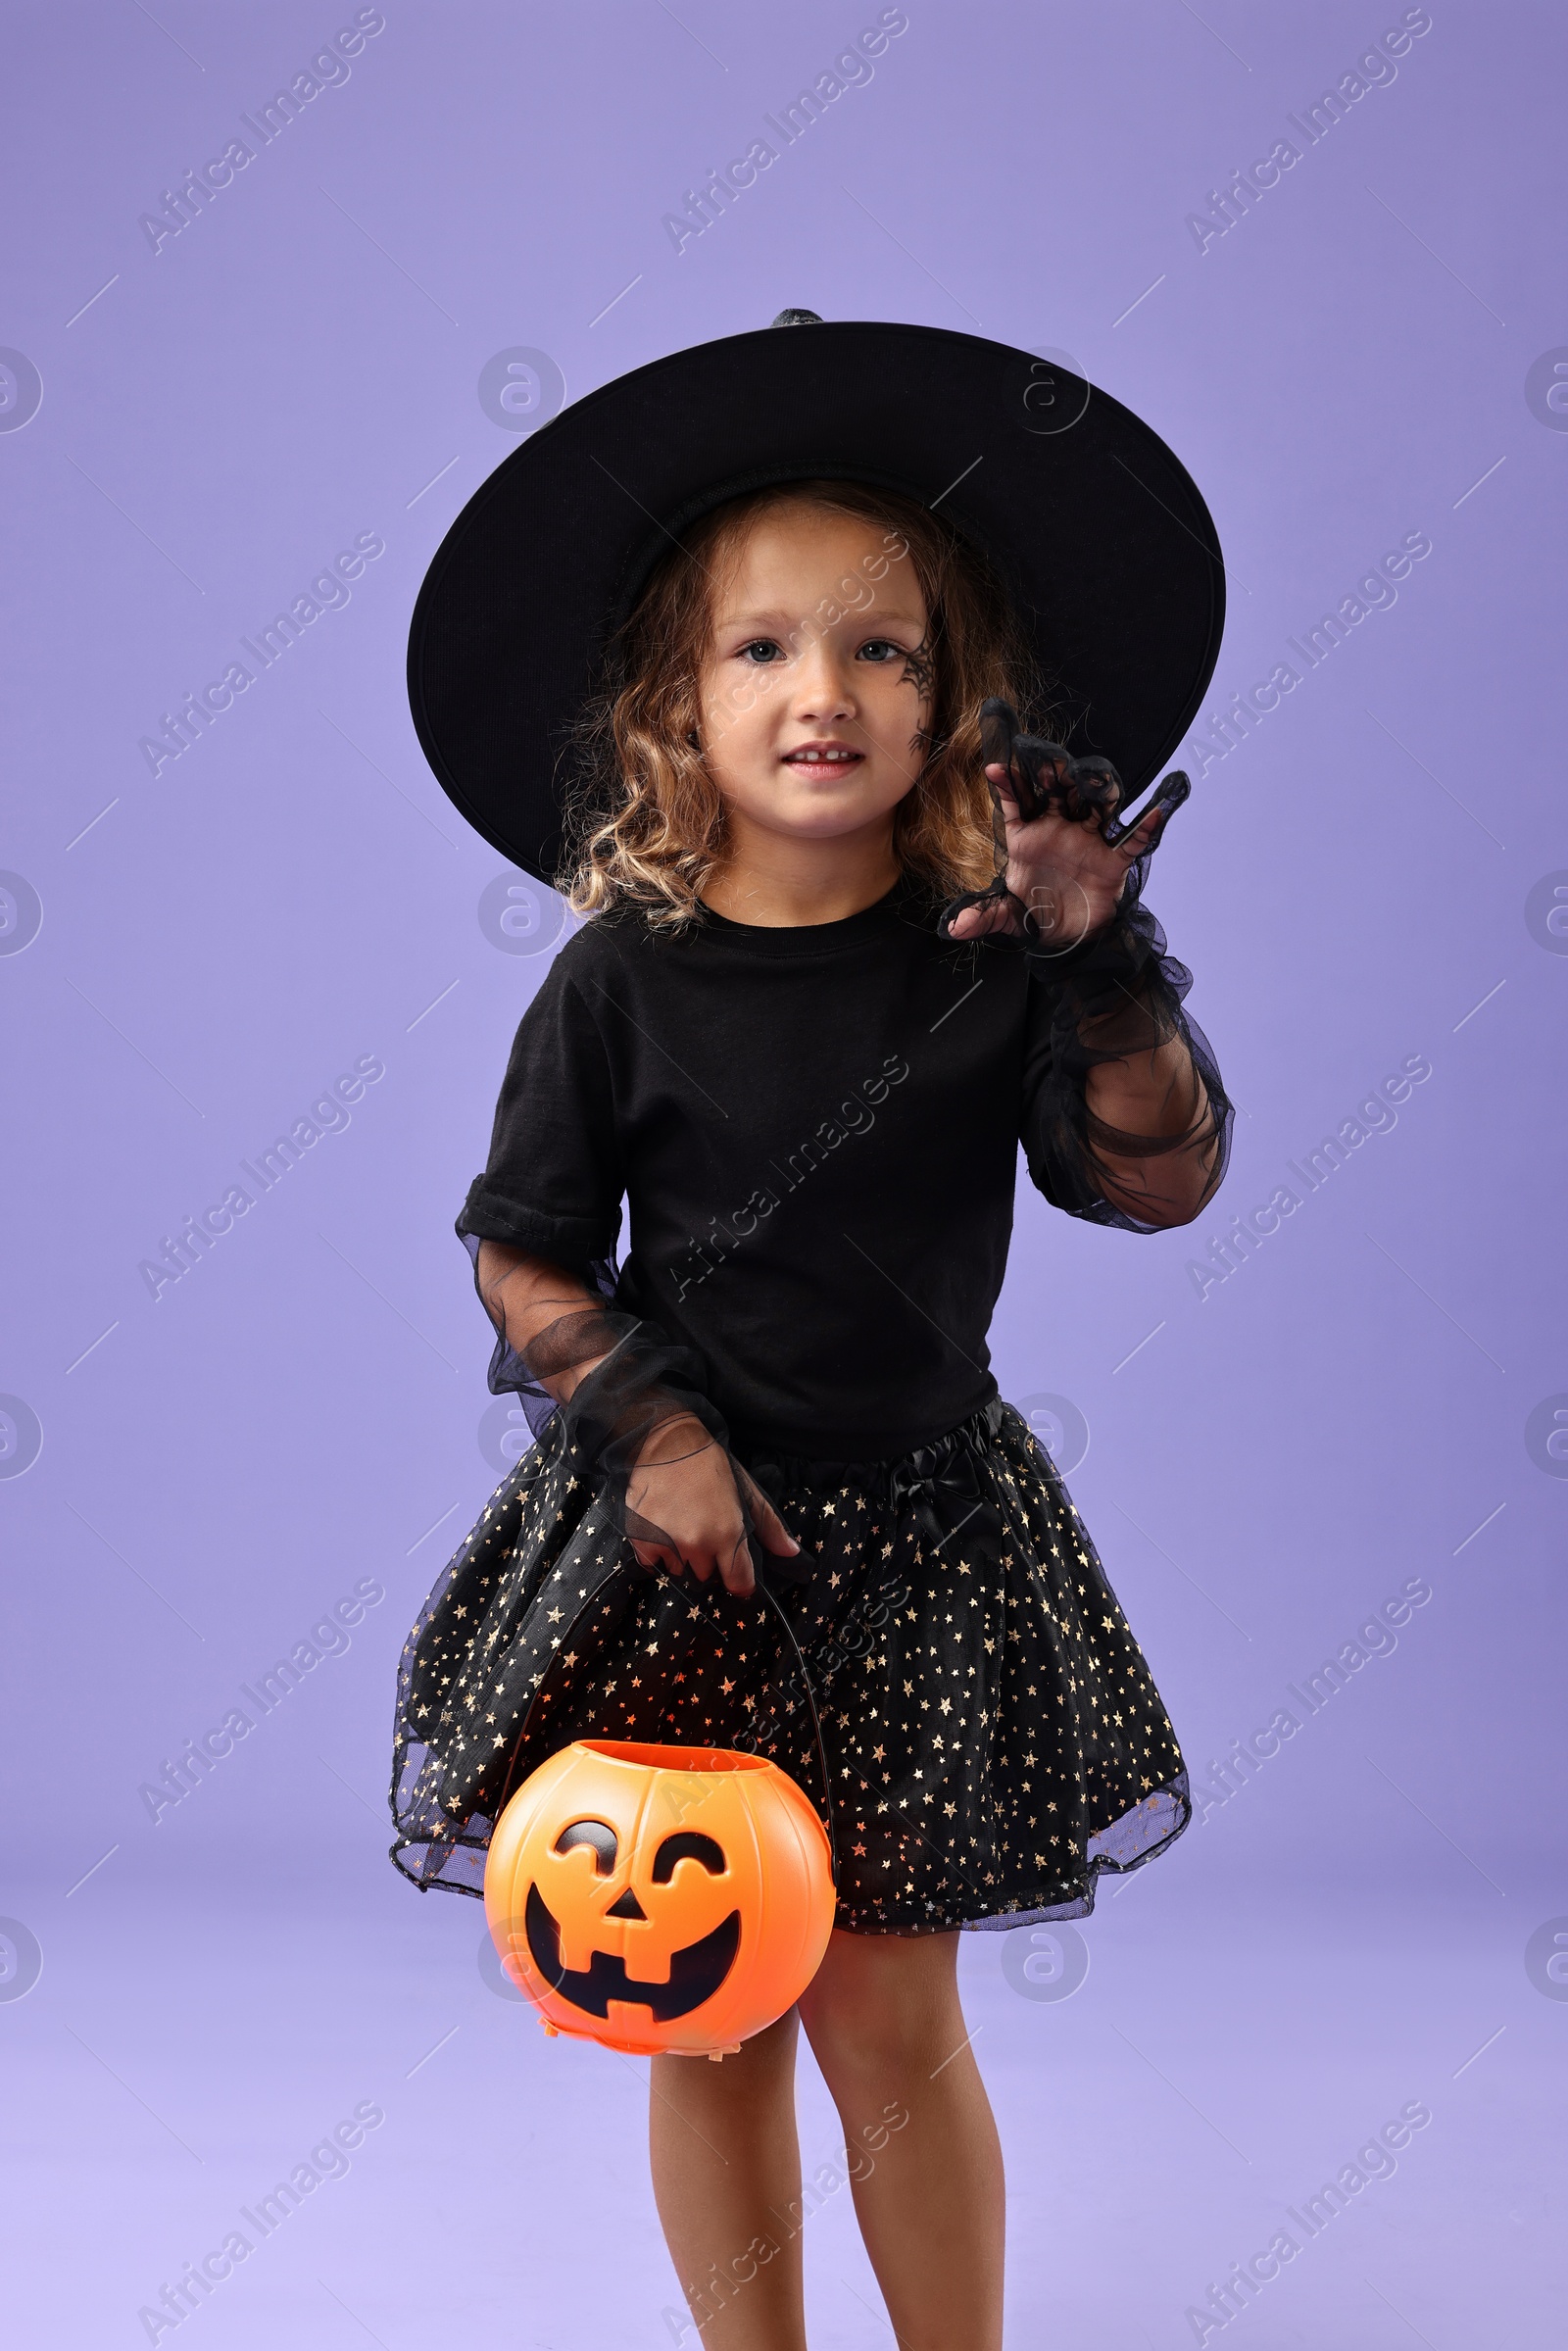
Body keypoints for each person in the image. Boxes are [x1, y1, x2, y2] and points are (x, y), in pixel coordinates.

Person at [391, 318, 1233, 2351]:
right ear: (674, 705)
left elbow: (1153, 1176)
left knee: (891, 2016)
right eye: (760, 649)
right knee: (701, 2012)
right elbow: (522, 1254)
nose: (820, 694)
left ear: (952, 706)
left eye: (880, 650)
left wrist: (1096, 958)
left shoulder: (999, 965)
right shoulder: (617, 984)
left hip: (922, 1552)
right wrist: (653, 1426)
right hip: (682, 1551)